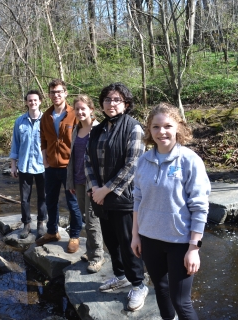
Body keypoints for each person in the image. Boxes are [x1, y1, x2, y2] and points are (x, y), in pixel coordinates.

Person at [131, 103, 211, 320]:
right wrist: (135, 236)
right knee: (161, 291)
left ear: (178, 128)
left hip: (180, 242)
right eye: (156, 127)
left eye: (167, 126)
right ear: (149, 130)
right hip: (149, 240)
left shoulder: (190, 160)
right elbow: (137, 199)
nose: (162, 132)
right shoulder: (143, 161)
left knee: (181, 302)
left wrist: (194, 247)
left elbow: (200, 206)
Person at [85, 83, 147, 311]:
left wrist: (106, 189)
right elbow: (87, 162)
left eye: (117, 100)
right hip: (101, 199)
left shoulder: (134, 128)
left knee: (129, 244)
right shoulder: (97, 129)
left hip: (124, 199)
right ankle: (120, 276)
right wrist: (94, 189)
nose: (111, 103)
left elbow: (133, 164)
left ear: (126, 104)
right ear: (101, 104)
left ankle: (139, 285)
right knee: (112, 242)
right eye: (108, 99)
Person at [35, 79, 83, 254]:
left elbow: (83, 138)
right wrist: (45, 160)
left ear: (65, 93)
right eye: (53, 92)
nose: (56, 95)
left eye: (59, 92)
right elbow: (43, 139)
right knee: (51, 201)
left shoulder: (74, 114)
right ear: (49, 95)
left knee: (73, 203)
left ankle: (75, 235)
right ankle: (52, 232)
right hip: (51, 167)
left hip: (69, 168)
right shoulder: (46, 115)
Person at [66, 95, 105, 273]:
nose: (80, 112)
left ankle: (98, 256)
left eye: (84, 108)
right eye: (77, 109)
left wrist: (98, 185)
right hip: (79, 180)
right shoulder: (76, 129)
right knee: (85, 217)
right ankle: (90, 251)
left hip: (93, 183)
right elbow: (73, 157)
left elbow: (102, 160)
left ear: (91, 110)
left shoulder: (98, 129)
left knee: (92, 220)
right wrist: (71, 181)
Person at [9, 90, 47, 239]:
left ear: (40, 101)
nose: (33, 103)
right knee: (25, 198)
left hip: (42, 165)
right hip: (24, 165)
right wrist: (13, 164)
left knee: (43, 196)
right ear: (26, 102)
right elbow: (15, 144)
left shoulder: (46, 120)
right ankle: (26, 225)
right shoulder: (19, 121)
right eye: (30, 100)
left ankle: (41, 224)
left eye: (35, 100)